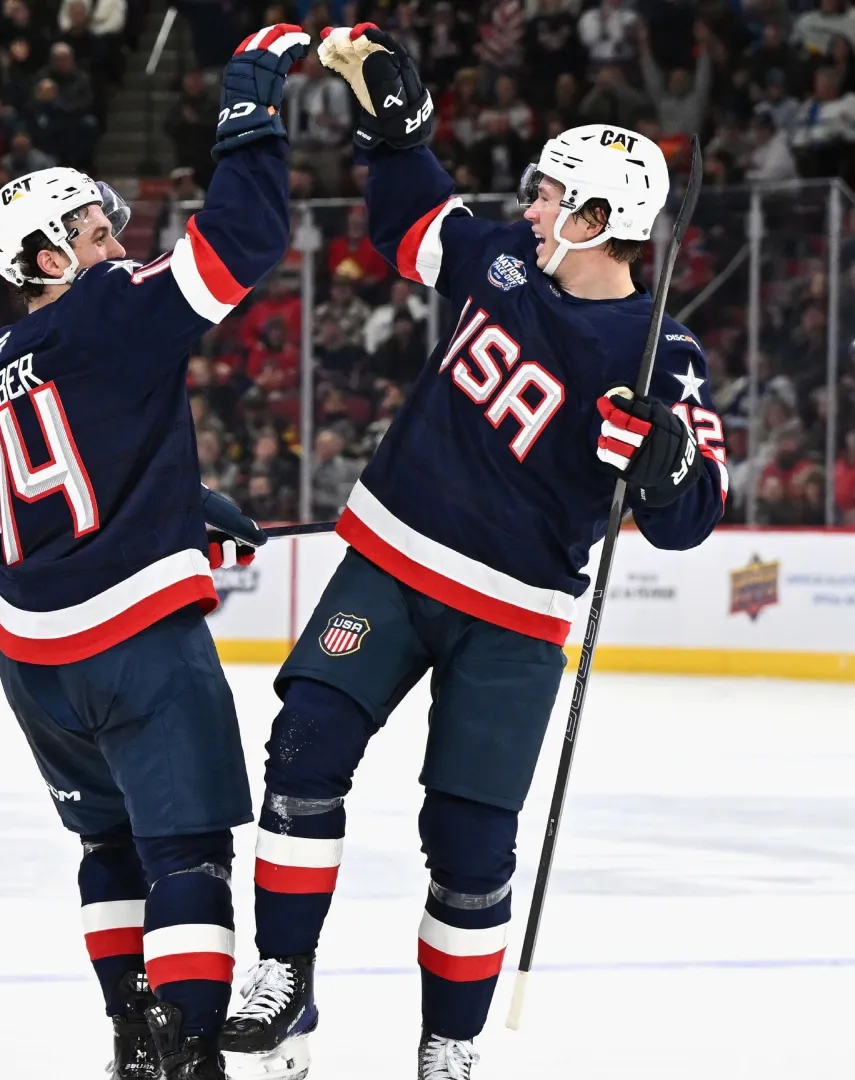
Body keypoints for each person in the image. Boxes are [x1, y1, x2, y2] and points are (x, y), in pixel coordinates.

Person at [220, 26, 727, 1080]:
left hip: (515, 617)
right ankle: (284, 978)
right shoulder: (499, 260)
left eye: (553, 196)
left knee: (470, 844)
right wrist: (396, 136)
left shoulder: (663, 358)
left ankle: (448, 1047)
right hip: (392, 563)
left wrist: (665, 457)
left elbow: (692, 516)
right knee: (304, 747)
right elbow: (412, 225)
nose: (531, 207)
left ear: (600, 221)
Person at [0, 25, 306, 1080]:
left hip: (33, 657)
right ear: (46, 258)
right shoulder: (108, 308)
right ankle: (191, 1052)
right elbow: (244, 238)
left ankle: (132, 1042)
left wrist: (175, 501)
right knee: (188, 852)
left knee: (107, 846)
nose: (113, 239)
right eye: (90, 229)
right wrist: (249, 110)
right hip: (135, 645)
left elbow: (74, 467)